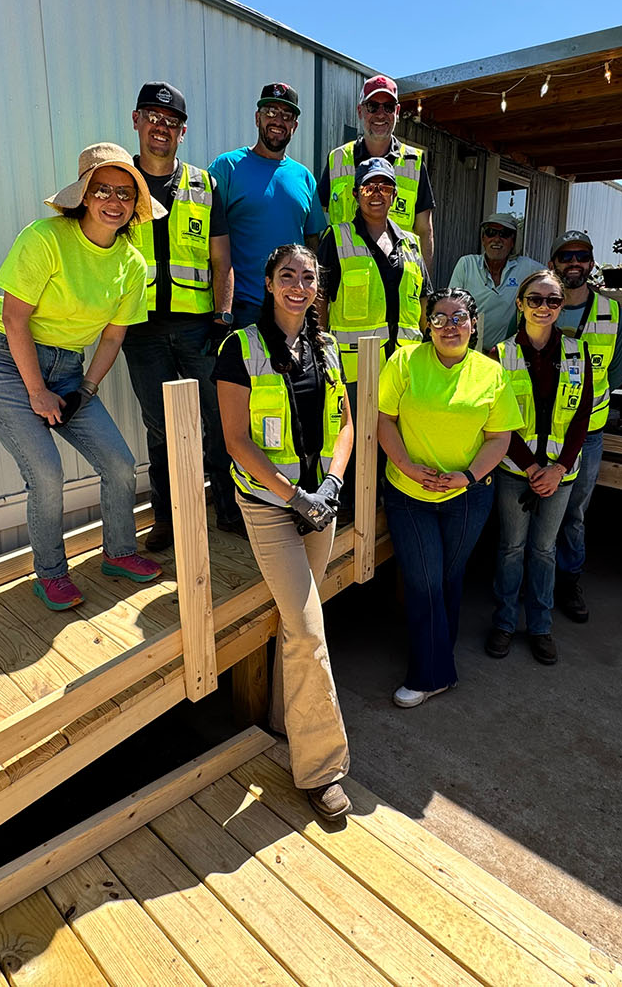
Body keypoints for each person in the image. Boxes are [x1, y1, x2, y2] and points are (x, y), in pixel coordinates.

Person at [0, 142, 162, 611]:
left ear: (135, 205)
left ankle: (118, 553)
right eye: (103, 191)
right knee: (47, 473)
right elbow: (15, 319)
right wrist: (37, 391)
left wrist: (85, 392)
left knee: (119, 464)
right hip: (3, 360)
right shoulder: (45, 237)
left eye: (125, 193)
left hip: (70, 368)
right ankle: (51, 574)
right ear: (83, 195)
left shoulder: (133, 264)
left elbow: (112, 339)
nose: (114, 202)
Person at [214, 244, 355, 819]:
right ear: (269, 283)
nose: (298, 285)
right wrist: (293, 495)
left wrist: (330, 489)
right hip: (272, 505)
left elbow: (345, 423)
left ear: (317, 288)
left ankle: (283, 721)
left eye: (308, 277)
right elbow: (236, 441)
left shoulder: (325, 346)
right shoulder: (239, 347)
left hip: (318, 503)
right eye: (287, 276)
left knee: (301, 627)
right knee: (309, 628)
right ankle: (322, 768)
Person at [378, 288, 522, 708]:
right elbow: (385, 420)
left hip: (467, 495)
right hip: (409, 492)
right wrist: (406, 466)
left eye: (459, 317)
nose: (449, 326)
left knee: (447, 577)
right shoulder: (404, 361)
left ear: (473, 323)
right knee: (424, 580)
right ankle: (432, 674)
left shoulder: (490, 373)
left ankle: (437, 654)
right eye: (438, 318)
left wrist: (468, 476)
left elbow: (500, 438)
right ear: (427, 325)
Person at [119, 82, 244, 544]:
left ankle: (228, 511)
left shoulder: (203, 183)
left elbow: (221, 262)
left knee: (220, 421)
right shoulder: (117, 182)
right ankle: (168, 521)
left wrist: (223, 319)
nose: (161, 129)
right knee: (161, 429)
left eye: (171, 123)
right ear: (136, 120)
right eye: (153, 118)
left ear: (183, 131)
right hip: (141, 330)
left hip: (200, 330)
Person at [488, 269, 594, 665]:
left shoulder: (576, 352)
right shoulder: (499, 355)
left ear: (561, 306)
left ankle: (541, 627)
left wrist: (559, 468)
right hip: (516, 473)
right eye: (535, 299)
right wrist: (533, 467)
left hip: (560, 476)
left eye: (552, 300)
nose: (544, 307)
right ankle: (503, 623)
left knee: (544, 551)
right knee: (512, 548)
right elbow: (497, 421)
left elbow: (583, 414)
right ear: (520, 304)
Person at [318, 156, 430, 517]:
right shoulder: (336, 238)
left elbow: (424, 303)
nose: (377, 193)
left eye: (384, 186)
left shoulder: (411, 244)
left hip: (403, 369)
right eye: (369, 186)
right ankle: (351, 515)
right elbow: (319, 298)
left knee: (396, 444)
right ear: (355, 194)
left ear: (395, 194)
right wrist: (322, 350)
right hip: (354, 369)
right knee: (353, 444)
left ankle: (388, 513)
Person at [550, 230, 622, 622]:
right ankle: (534, 583)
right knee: (535, 510)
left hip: (586, 435)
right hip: (539, 433)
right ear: (554, 264)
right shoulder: (539, 305)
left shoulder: (612, 314)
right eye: (566, 256)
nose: (574, 263)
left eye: (581, 256)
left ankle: (567, 583)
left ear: (591, 263)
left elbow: (616, 374)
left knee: (573, 514)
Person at [209, 83, 326, 327]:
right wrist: (221, 309)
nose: (278, 121)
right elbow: (208, 236)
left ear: (294, 125)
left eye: (287, 115)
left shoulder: (304, 178)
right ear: (257, 118)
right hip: (241, 308)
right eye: (271, 112)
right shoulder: (227, 168)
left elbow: (312, 244)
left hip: (291, 308)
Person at [319, 75, 436, 266]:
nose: (380, 114)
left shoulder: (414, 162)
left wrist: (425, 290)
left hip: (397, 282)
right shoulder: (337, 159)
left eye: (388, 107)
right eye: (372, 106)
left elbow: (425, 231)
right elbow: (316, 223)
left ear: (397, 111)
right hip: (345, 284)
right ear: (360, 111)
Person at [447, 212, 547, 353]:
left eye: (504, 234)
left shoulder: (526, 267)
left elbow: (556, 280)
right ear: (483, 239)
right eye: (491, 233)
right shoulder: (467, 264)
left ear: (513, 241)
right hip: (468, 351)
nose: (496, 239)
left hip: (506, 355)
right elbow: (450, 308)